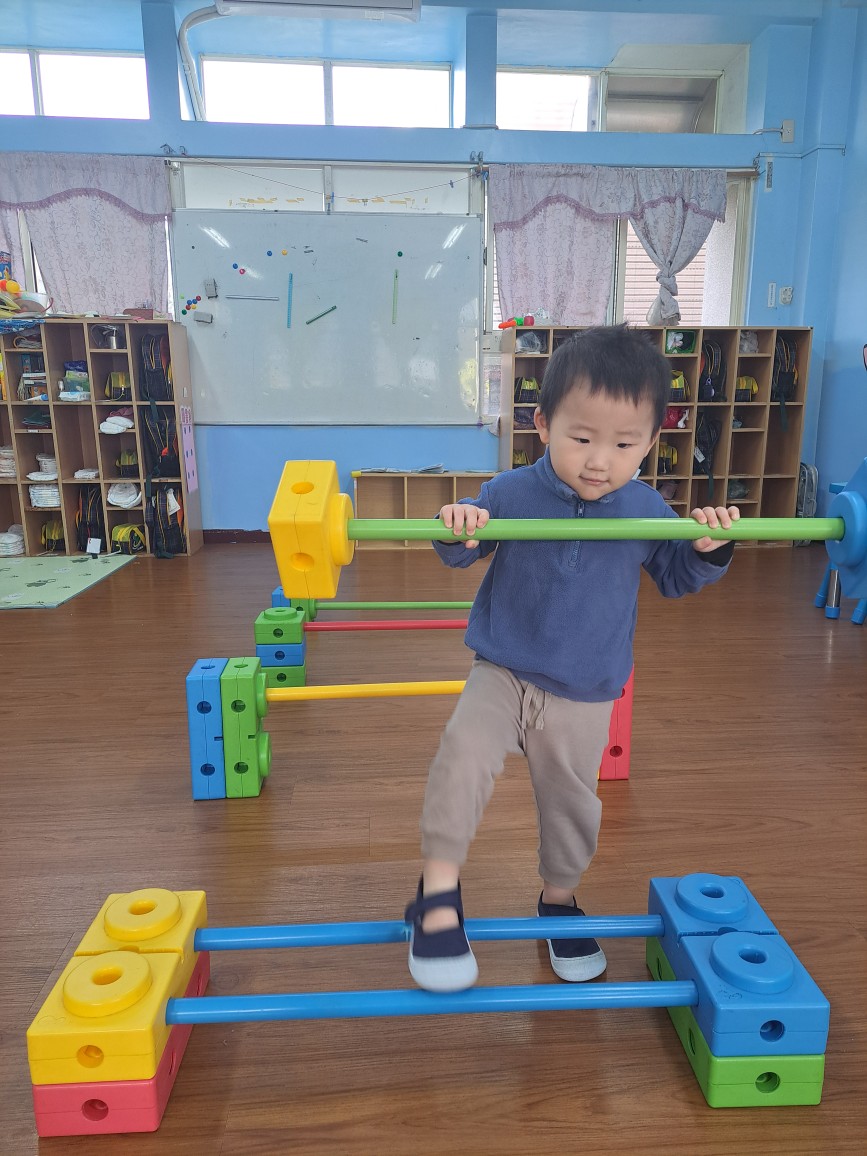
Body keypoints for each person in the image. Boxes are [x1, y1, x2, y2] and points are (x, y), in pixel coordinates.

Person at [404, 324, 739, 992]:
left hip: (584, 689)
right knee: (461, 756)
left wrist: (709, 548)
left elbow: (675, 578)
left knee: (571, 807)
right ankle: (435, 897)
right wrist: (459, 523)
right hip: (502, 667)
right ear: (542, 425)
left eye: (623, 445)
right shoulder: (510, 491)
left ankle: (558, 901)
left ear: (650, 442)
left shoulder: (646, 508)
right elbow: (463, 548)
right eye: (581, 439)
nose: (598, 462)